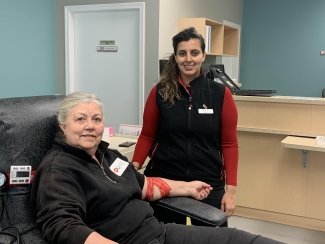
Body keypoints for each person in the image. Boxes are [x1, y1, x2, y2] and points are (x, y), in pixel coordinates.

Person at [31, 92, 283, 244]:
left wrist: (187, 188)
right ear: (63, 126)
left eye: (96, 119)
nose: (90, 126)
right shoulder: (58, 169)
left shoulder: (108, 155)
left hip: (160, 232)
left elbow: (144, 185)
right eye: (80, 119)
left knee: (243, 240)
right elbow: (64, 227)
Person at [131, 27, 238, 227]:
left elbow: (230, 144)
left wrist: (231, 191)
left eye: (194, 53)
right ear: (176, 56)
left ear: (203, 55)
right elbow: (147, 136)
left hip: (208, 183)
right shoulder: (159, 92)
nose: (188, 59)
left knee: (213, 241)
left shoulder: (221, 94)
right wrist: (133, 168)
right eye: (182, 53)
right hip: (164, 181)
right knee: (161, 237)